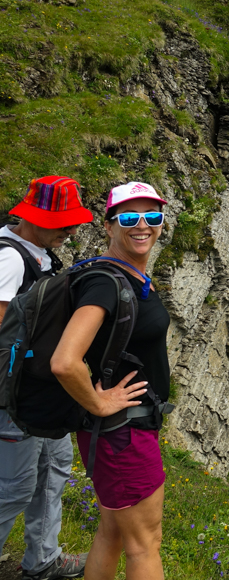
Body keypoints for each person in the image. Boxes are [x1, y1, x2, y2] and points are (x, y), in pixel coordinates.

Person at [50, 182, 171, 580]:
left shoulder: (128, 276)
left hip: (117, 433)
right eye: (129, 217)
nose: (142, 225)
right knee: (144, 545)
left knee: (113, 533)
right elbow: (65, 362)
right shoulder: (104, 282)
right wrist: (99, 403)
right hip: (123, 433)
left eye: (152, 217)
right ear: (108, 225)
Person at [0, 176, 93, 580]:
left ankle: (42, 559)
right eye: (63, 223)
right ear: (35, 219)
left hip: (36, 389)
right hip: (12, 396)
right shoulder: (10, 260)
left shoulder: (36, 254)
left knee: (55, 467)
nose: (72, 231)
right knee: (15, 486)